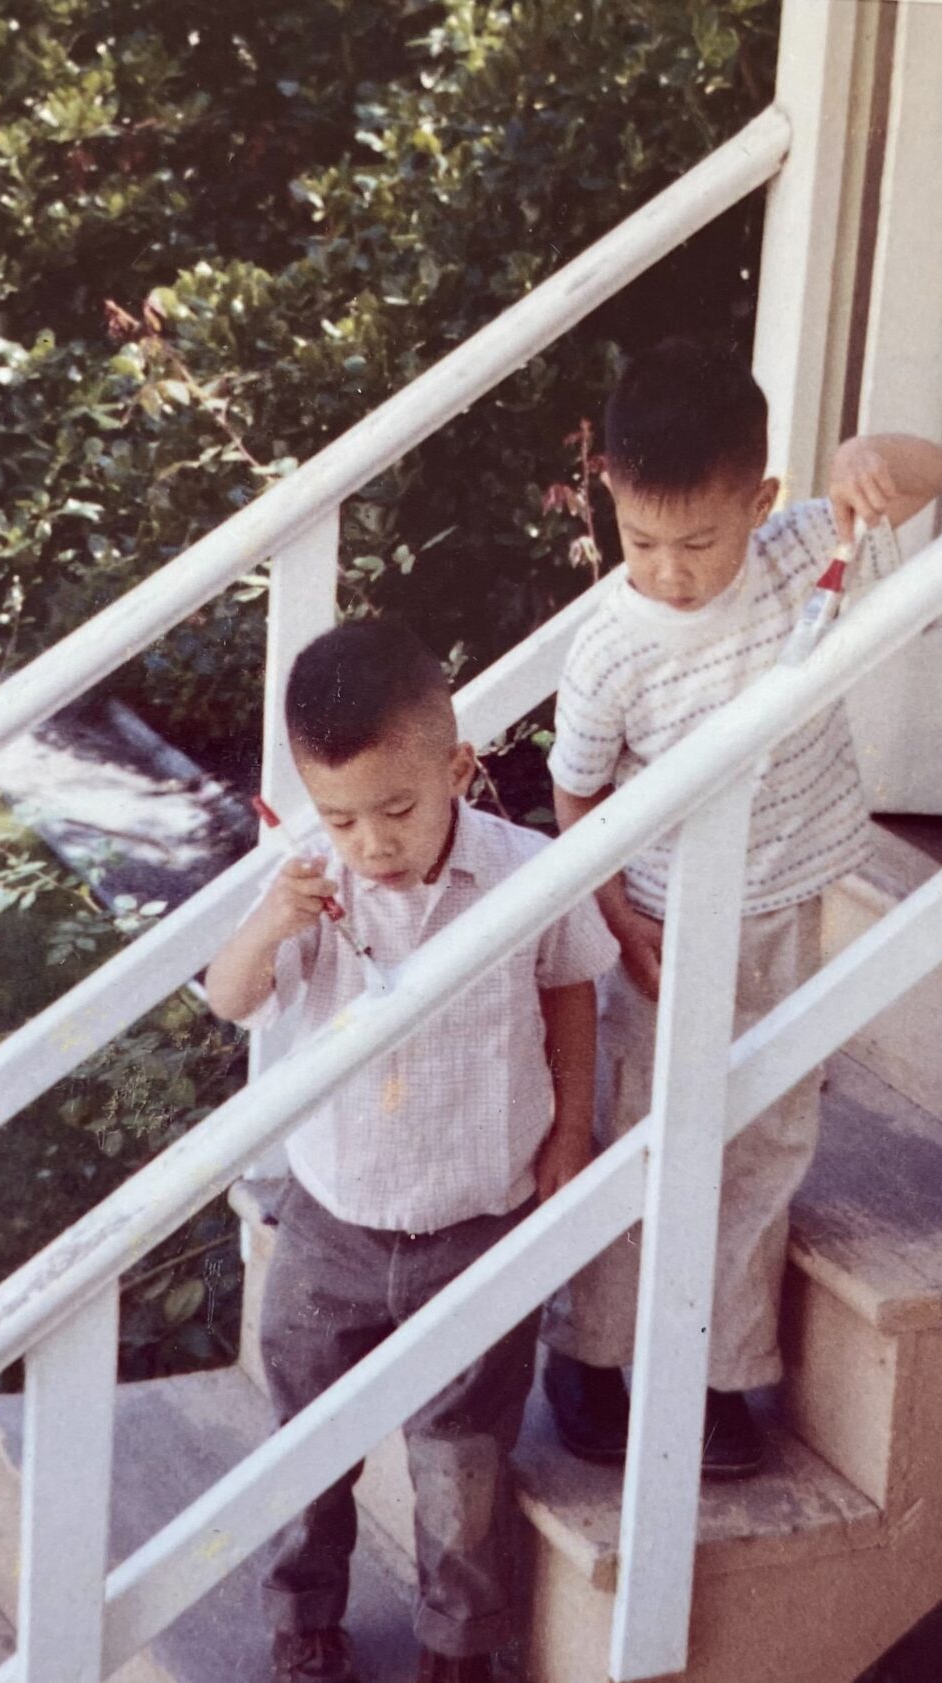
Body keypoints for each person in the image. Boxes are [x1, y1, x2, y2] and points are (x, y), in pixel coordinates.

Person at [538, 337, 942, 1478]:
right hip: (663, 927)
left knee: (767, 1131)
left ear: (760, 502)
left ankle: (718, 1369)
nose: (670, 569)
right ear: (609, 500)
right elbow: (576, 796)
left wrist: (873, 457)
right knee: (646, 1132)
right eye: (642, 541)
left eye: (700, 540)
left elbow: (930, 476)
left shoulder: (791, 557)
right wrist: (621, 926)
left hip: (786, 905)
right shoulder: (612, 648)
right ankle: (594, 1350)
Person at [204, 619, 620, 1683]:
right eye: (342, 818)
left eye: (396, 808)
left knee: (461, 1458)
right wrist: (268, 920)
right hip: (332, 1220)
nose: (374, 843)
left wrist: (571, 1133)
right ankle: (304, 1622)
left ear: (458, 769)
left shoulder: (526, 871)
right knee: (307, 1440)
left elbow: (569, 987)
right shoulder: (312, 883)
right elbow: (233, 997)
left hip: (476, 1221)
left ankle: (457, 1645)